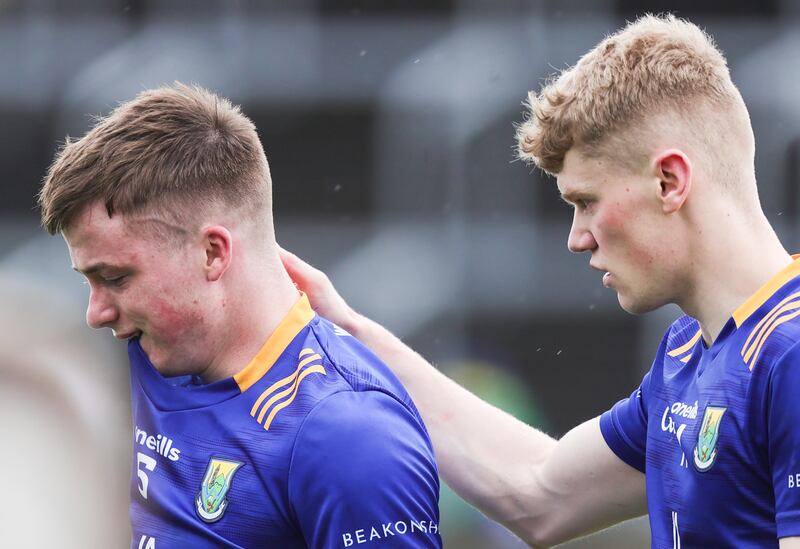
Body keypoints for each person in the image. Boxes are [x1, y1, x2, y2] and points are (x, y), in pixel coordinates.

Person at [279, 14, 800, 549]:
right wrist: (348, 333)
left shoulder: (790, 354)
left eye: (587, 202)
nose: (578, 238)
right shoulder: (691, 351)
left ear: (669, 181)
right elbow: (540, 494)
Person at [38, 83, 442, 549]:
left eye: (114, 277)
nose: (96, 313)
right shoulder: (154, 353)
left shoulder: (346, 436)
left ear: (212, 252)